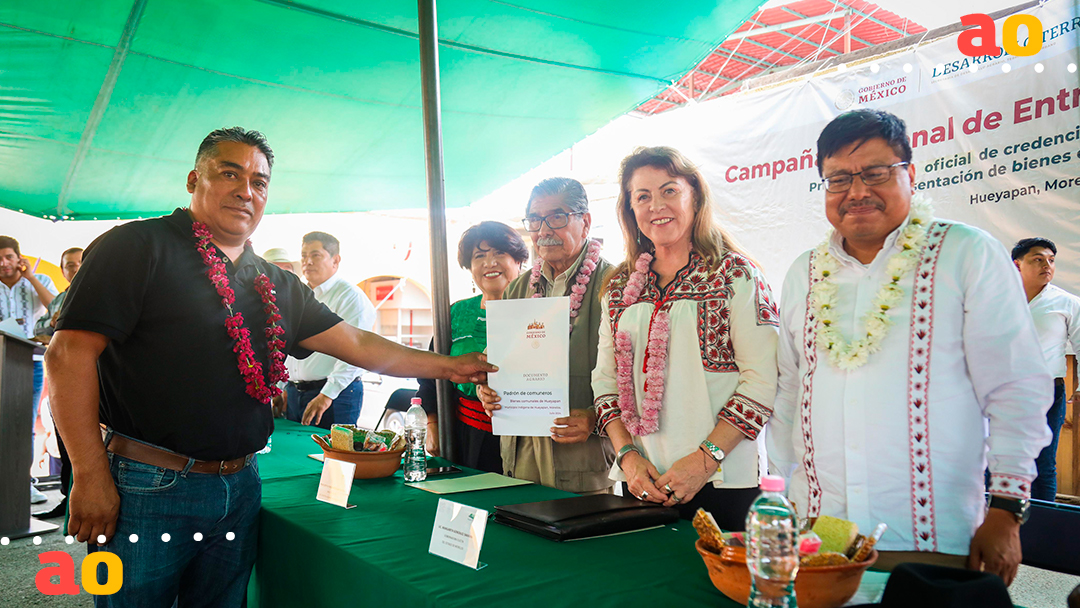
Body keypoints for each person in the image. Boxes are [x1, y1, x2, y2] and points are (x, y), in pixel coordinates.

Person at [46, 126, 495, 608]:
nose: (246, 190)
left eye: (259, 182)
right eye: (229, 173)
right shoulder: (137, 246)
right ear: (194, 178)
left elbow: (356, 342)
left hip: (241, 483)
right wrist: (90, 477)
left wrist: (448, 367)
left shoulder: (274, 281)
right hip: (147, 485)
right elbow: (66, 355)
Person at [767, 109, 1052, 584]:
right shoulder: (805, 271)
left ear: (911, 174)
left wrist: (1005, 510)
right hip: (822, 533)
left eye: (875, 173)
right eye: (838, 179)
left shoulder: (966, 253)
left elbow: (1016, 389)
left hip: (930, 536)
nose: (856, 191)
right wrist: (782, 504)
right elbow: (789, 393)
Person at [591, 147, 779, 529]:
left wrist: (704, 460)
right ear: (630, 210)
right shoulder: (618, 287)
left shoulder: (736, 275)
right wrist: (628, 458)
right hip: (642, 481)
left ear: (695, 195)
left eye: (669, 190)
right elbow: (605, 382)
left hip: (724, 480)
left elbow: (763, 381)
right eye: (642, 196)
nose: (656, 205)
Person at [478, 177, 616, 493]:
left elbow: (644, 379)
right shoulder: (518, 288)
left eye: (557, 217)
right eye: (535, 220)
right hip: (519, 456)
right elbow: (499, 364)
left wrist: (597, 419)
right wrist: (488, 392)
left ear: (586, 222)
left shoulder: (615, 285)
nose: (543, 230)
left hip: (583, 460)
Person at [416, 221, 528, 471]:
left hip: (528, 441)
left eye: (499, 252)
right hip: (463, 437)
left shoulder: (541, 311)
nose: (490, 263)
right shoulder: (455, 314)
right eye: (479, 256)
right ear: (470, 267)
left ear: (518, 261)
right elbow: (430, 374)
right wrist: (432, 425)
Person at [284, 231, 376, 429]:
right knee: (295, 456)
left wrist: (327, 395)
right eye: (303, 255)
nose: (307, 262)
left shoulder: (349, 297)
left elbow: (356, 352)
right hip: (294, 393)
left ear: (335, 260)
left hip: (334, 394)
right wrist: (281, 386)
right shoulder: (298, 293)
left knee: (332, 458)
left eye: (315, 255)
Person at [1012, 237, 1080, 501]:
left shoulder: (1067, 302)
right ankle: (989, 526)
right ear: (1017, 265)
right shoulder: (995, 298)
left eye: (1051, 260)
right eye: (1038, 259)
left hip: (1047, 392)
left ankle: (1042, 532)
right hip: (999, 390)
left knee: (1043, 464)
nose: (1047, 266)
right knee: (993, 460)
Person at [1, 235, 59, 505]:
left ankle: (23, 484)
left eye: (8, 257)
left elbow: (56, 309)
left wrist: (32, 277)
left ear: (18, 258)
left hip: (30, 363)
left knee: (22, 425)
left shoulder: (40, 281)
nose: (3, 263)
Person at [32, 246, 84, 519]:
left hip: (92, 380)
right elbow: (38, 329)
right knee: (64, 441)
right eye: (69, 265)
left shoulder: (97, 293)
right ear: (62, 270)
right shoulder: (59, 299)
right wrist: (52, 324)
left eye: (78, 263)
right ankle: (67, 499)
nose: (74, 269)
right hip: (61, 379)